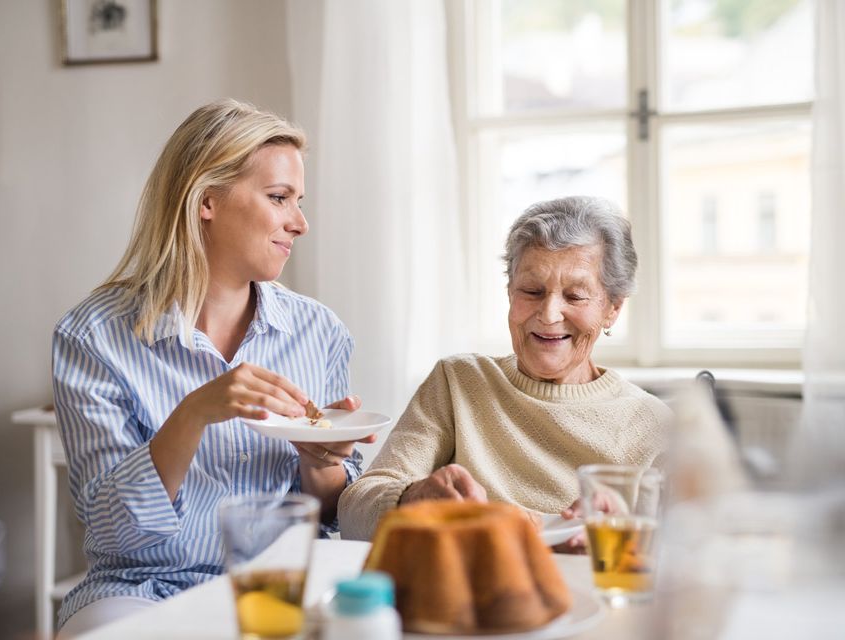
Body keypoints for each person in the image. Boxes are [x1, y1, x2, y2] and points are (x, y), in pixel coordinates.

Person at [51, 99, 373, 637]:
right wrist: (194, 412)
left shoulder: (320, 332)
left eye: (298, 201)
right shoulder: (92, 336)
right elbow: (110, 533)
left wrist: (322, 462)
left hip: (284, 583)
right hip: (141, 589)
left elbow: (334, 510)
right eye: (279, 199)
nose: (300, 223)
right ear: (207, 201)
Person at [337, 195, 671, 542]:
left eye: (574, 296)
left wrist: (623, 539)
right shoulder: (458, 382)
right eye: (532, 291)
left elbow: (688, 562)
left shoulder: (654, 425)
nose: (549, 314)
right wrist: (413, 500)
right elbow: (352, 513)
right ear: (510, 292)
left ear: (612, 308)